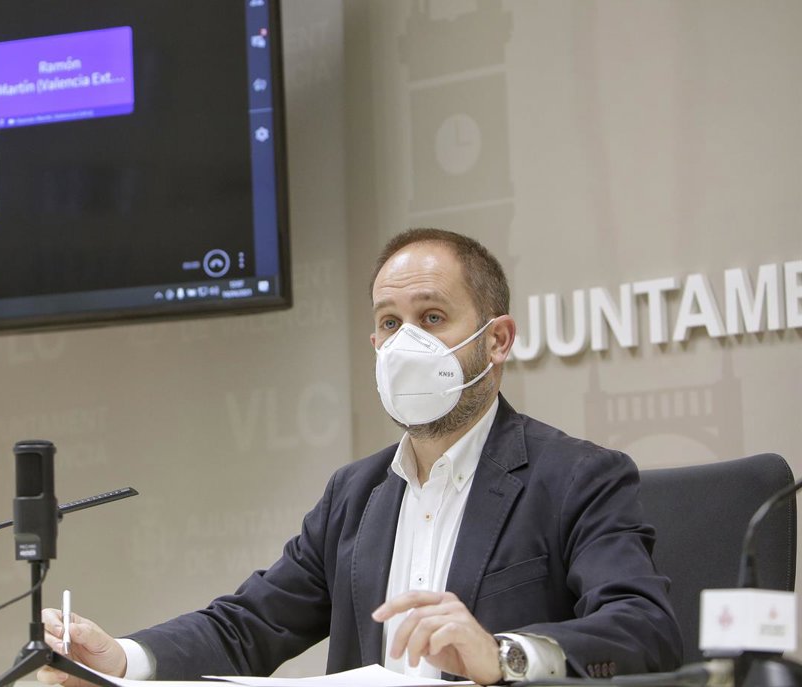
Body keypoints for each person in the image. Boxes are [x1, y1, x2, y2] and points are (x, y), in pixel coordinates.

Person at [37, 228, 683, 684]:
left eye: (433, 317)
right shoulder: (355, 493)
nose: (407, 344)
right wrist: (121, 659)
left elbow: (645, 630)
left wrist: (501, 655)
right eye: (390, 323)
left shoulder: (575, 476)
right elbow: (249, 625)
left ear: (498, 340)